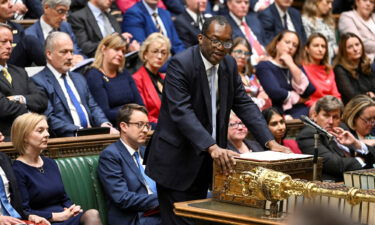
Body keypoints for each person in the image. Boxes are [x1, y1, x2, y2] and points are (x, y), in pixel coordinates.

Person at [145, 16, 291, 225]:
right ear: (200, 38)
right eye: (215, 40)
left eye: (226, 42)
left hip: (207, 163)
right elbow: (182, 112)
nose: (221, 47)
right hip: (175, 162)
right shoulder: (181, 64)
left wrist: (270, 142)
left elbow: (244, 104)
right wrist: (212, 147)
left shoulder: (229, 65)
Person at [11, 113, 102, 225]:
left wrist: (71, 208)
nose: (47, 134)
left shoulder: (50, 163)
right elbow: (24, 210)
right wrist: (54, 217)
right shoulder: (17, 169)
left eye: (47, 130)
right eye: (40, 131)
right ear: (24, 137)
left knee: (92, 214)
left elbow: (63, 198)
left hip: (65, 216)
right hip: (43, 221)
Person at [31, 32, 118, 137]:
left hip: (93, 136)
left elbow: (93, 107)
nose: (70, 57)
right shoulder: (38, 81)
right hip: (67, 141)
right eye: (64, 52)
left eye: (71, 52)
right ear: (49, 54)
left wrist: (104, 124)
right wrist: (81, 132)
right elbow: (49, 118)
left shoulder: (79, 78)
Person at [98, 104, 161, 225]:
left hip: (159, 211)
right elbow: (122, 198)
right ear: (123, 126)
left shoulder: (146, 151)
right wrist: (162, 199)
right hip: (135, 218)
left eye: (147, 125)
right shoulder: (110, 156)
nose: (145, 130)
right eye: (139, 124)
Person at [297, 95, 375, 182]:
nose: (330, 122)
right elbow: (335, 165)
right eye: (326, 115)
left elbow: (373, 155)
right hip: (334, 184)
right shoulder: (308, 134)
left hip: (359, 179)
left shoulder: (342, 127)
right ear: (315, 116)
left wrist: (356, 143)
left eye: (335, 117)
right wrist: (361, 160)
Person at [0, 23, 47, 139]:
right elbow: (2, 107)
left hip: (30, 135)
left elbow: (41, 99)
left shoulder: (20, 72)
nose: (9, 46)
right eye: (3, 42)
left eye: (10, 42)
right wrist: (29, 109)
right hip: (6, 137)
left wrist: (19, 98)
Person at [85, 33, 144, 125]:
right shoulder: (94, 75)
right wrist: (132, 115)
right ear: (104, 49)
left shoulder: (124, 73)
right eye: (116, 49)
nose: (120, 54)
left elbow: (140, 105)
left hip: (135, 123)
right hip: (114, 126)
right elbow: (104, 112)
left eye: (123, 51)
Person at [256, 30, 316, 118]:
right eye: (287, 42)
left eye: (294, 45)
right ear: (277, 43)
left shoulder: (295, 66)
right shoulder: (265, 65)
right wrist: (298, 98)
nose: (290, 47)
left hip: (301, 111)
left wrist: (291, 65)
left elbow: (309, 90)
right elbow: (275, 93)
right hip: (278, 113)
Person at [23, 0, 85, 67]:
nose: (64, 17)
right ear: (46, 8)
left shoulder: (66, 27)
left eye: (66, 13)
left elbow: (77, 50)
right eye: (60, 11)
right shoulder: (30, 35)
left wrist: (80, 58)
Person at [68, 0, 139, 58]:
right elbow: (85, 47)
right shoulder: (78, 17)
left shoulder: (112, 18)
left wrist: (128, 48)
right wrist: (113, 41)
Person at [132, 33, 171, 124]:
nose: (159, 56)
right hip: (152, 129)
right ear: (145, 54)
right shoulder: (137, 79)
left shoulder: (166, 78)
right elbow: (142, 114)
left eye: (163, 53)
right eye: (155, 51)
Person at [230, 37, 271, 110]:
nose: (243, 56)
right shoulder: (227, 76)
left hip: (258, 114)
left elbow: (267, 100)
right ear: (230, 53)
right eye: (239, 52)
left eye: (246, 54)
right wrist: (257, 102)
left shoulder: (252, 77)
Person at [334, 32, 375, 104]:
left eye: (357, 45)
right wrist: (369, 96)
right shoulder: (340, 69)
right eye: (350, 47)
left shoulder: (366, 64)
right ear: (344, 51)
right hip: (355, 107)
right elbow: (352, 96)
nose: (355, 49)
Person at [302, 33, 341, 107]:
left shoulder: (328, 69)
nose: (320, 49)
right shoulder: (302, 68)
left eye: (323, 46)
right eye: (316, 46)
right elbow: (305, 98)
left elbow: (335, 94)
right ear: (307, 49)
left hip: (331, 106)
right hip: (312, 107)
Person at [225, 0, 268, 65]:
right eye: (238, 2)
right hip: (248, 64)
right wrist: (254, 61)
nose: (243, 6)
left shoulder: (254, 19)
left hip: (266, 59)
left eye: (246, 2)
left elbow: (265, 41)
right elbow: (231, 54)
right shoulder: (225, 25)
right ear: (229, 4)